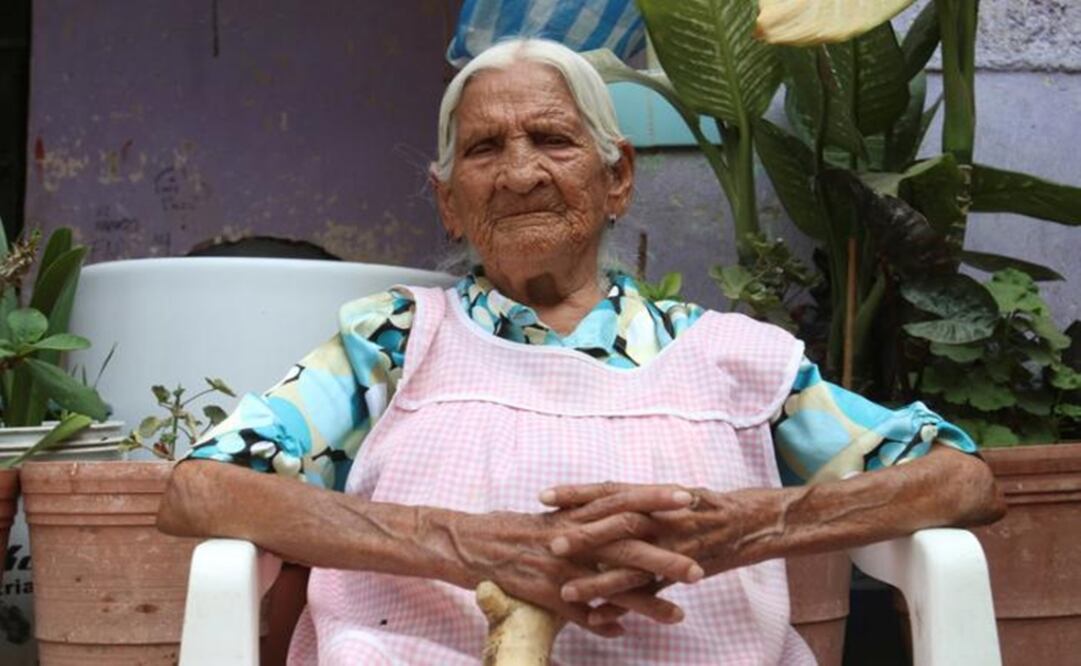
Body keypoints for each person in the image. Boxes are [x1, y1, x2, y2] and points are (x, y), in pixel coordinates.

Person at [157, 38, 1005, 665]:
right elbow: (202, 488)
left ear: (616, 178)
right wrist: (467, 546)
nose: (520, 173)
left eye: (553, 141)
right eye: (485, 150)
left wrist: (748, 523)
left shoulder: (735, 359)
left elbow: (959, 478)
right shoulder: (392, 341)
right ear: (448, 202)